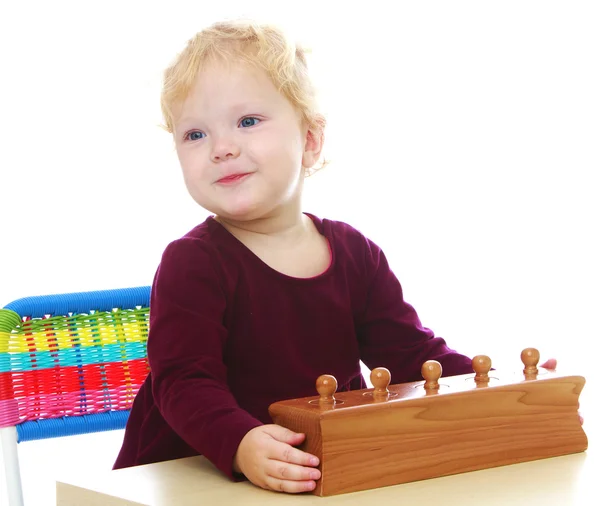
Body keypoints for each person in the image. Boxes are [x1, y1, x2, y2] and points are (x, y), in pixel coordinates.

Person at [113, 19, 563, 493]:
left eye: (247, 121)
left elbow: (413, 357)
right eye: (195, 134)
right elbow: (183, 383)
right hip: (190, 475)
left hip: (316, 471)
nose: (222, 148)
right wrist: (241, 442)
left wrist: (499, 389)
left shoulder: (354, 254)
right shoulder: (193, 263)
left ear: (310, 140)